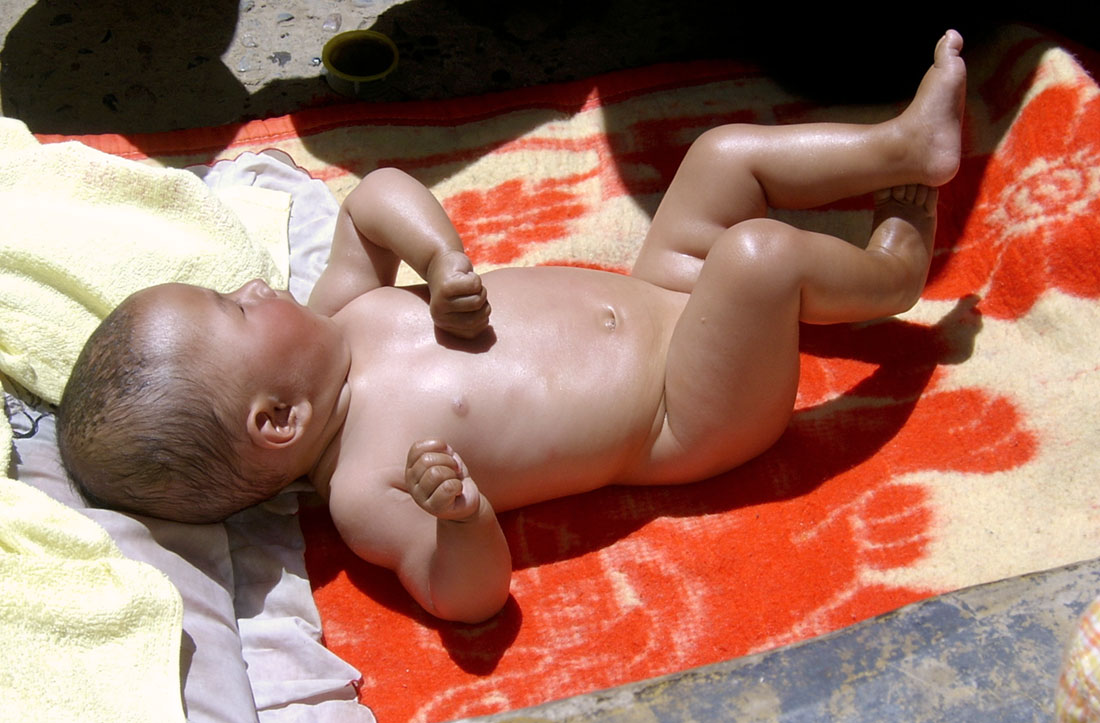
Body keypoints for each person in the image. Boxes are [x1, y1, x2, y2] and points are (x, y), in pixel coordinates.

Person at [59, 31, 967, 623]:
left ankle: (900, 146)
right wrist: (457, 514)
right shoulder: (370, 488)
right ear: (277, 421)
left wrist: (442, 255)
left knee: (719, 158)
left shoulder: (341, 308)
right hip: (687, 409)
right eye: (235, 309)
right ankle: (889, 278)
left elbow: (376, 196)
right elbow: (471, 595)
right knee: (759, 256)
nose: (255, 281)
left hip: (661, 288)